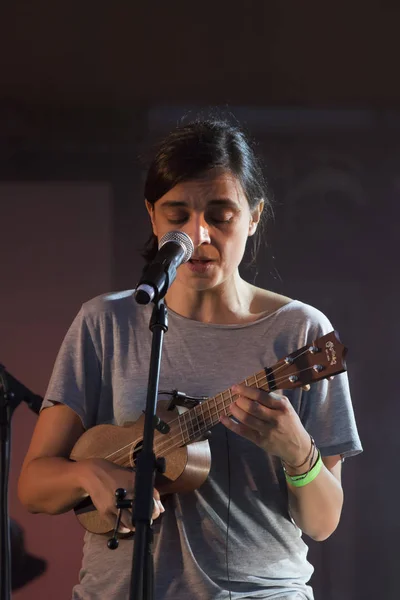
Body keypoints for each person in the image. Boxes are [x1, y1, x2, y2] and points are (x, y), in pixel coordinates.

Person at [18, 118, 362, 600]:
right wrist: (88, 473)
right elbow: (34, 486)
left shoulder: (300, 332)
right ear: (153, 217)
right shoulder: (105, 323)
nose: (198, 234)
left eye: (220, 214)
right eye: (176, 215)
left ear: (254, 216)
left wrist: (297, 453)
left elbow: (323, 524)